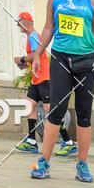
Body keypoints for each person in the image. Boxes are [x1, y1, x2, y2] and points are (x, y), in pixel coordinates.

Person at [30, 0, 94, 183]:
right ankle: (44, 162)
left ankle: (83, 165)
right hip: (61, 59)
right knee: (56, 111)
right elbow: (48, 27)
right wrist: (38, 53)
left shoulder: (90, 3)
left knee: (84, 114)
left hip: (88, 62)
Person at [14, 12, 76, 156]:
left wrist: (21, 60)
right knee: (30, 105)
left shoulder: (34, 36)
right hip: (37, 78)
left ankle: (68, 142)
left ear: (26, 22)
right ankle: (31, 141)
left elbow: (35, 55)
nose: (18, 25)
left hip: (44, 78)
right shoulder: (31, 37)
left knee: (50, 109)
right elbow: (37, 57)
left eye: (19, 22)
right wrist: (24, 64)